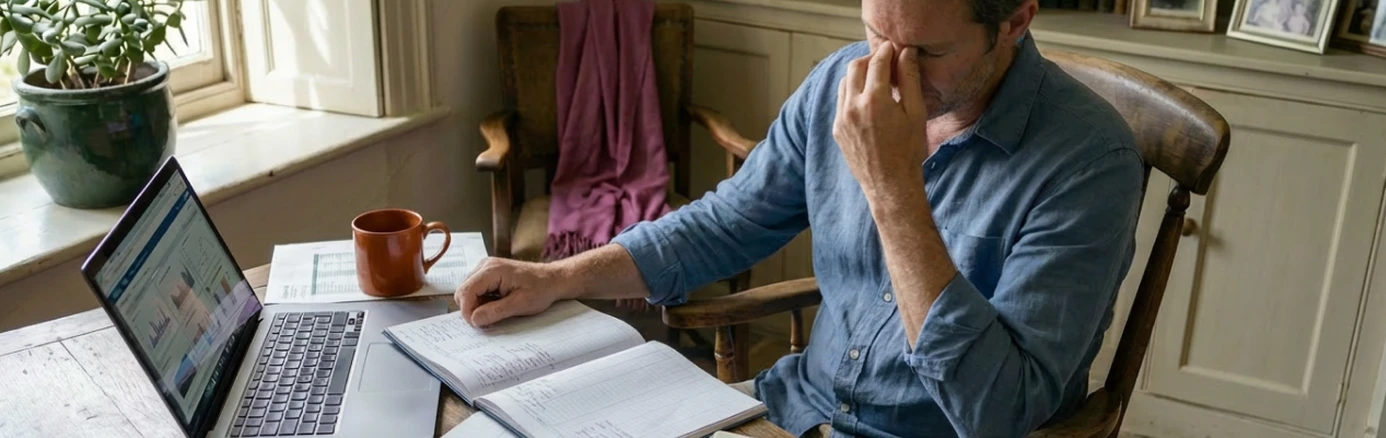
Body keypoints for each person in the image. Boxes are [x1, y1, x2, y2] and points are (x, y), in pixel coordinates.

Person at [455, 0, 1145, 435]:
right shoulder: (839, 80)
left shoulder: (1090, 162)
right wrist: (558, 277)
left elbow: (999, 411)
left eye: (928, 53)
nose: (888, 73)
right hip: (794, 406)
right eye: (875, 34)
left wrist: (893, 190)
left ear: (1016, 20)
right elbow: (726, 223)